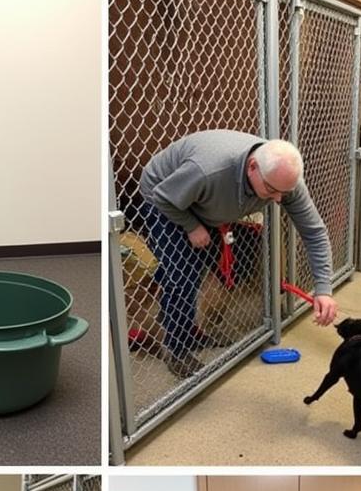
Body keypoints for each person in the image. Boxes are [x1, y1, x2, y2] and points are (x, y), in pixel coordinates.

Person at [140, 132, 338, 379]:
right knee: (183, 273)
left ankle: (180, 323)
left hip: (204, 198)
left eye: (283, 194)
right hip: (165, 196)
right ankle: (176, 348)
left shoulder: (283, 179)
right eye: (271, 190)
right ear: (252, 167)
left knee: (195, 266)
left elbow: (314, 232)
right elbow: (163, 197)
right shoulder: (209, 169)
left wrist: (323, 288)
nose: (278, 200)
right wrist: (191, 226)